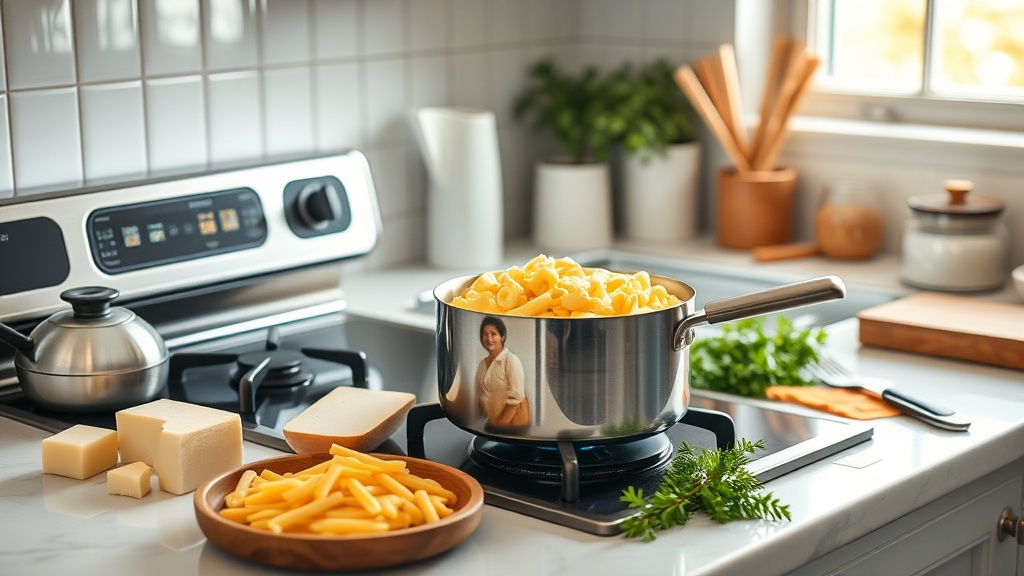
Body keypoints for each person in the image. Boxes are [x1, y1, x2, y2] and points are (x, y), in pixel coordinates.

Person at [474, 316, 529, 428]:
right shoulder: (482, 364)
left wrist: (501, 425)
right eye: (485, 334)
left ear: (502, 337)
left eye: (493, 334)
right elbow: (480, 396)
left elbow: (516, 396)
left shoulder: (511, 360)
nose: (489, 339)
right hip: (492, 424)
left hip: (512, 426)